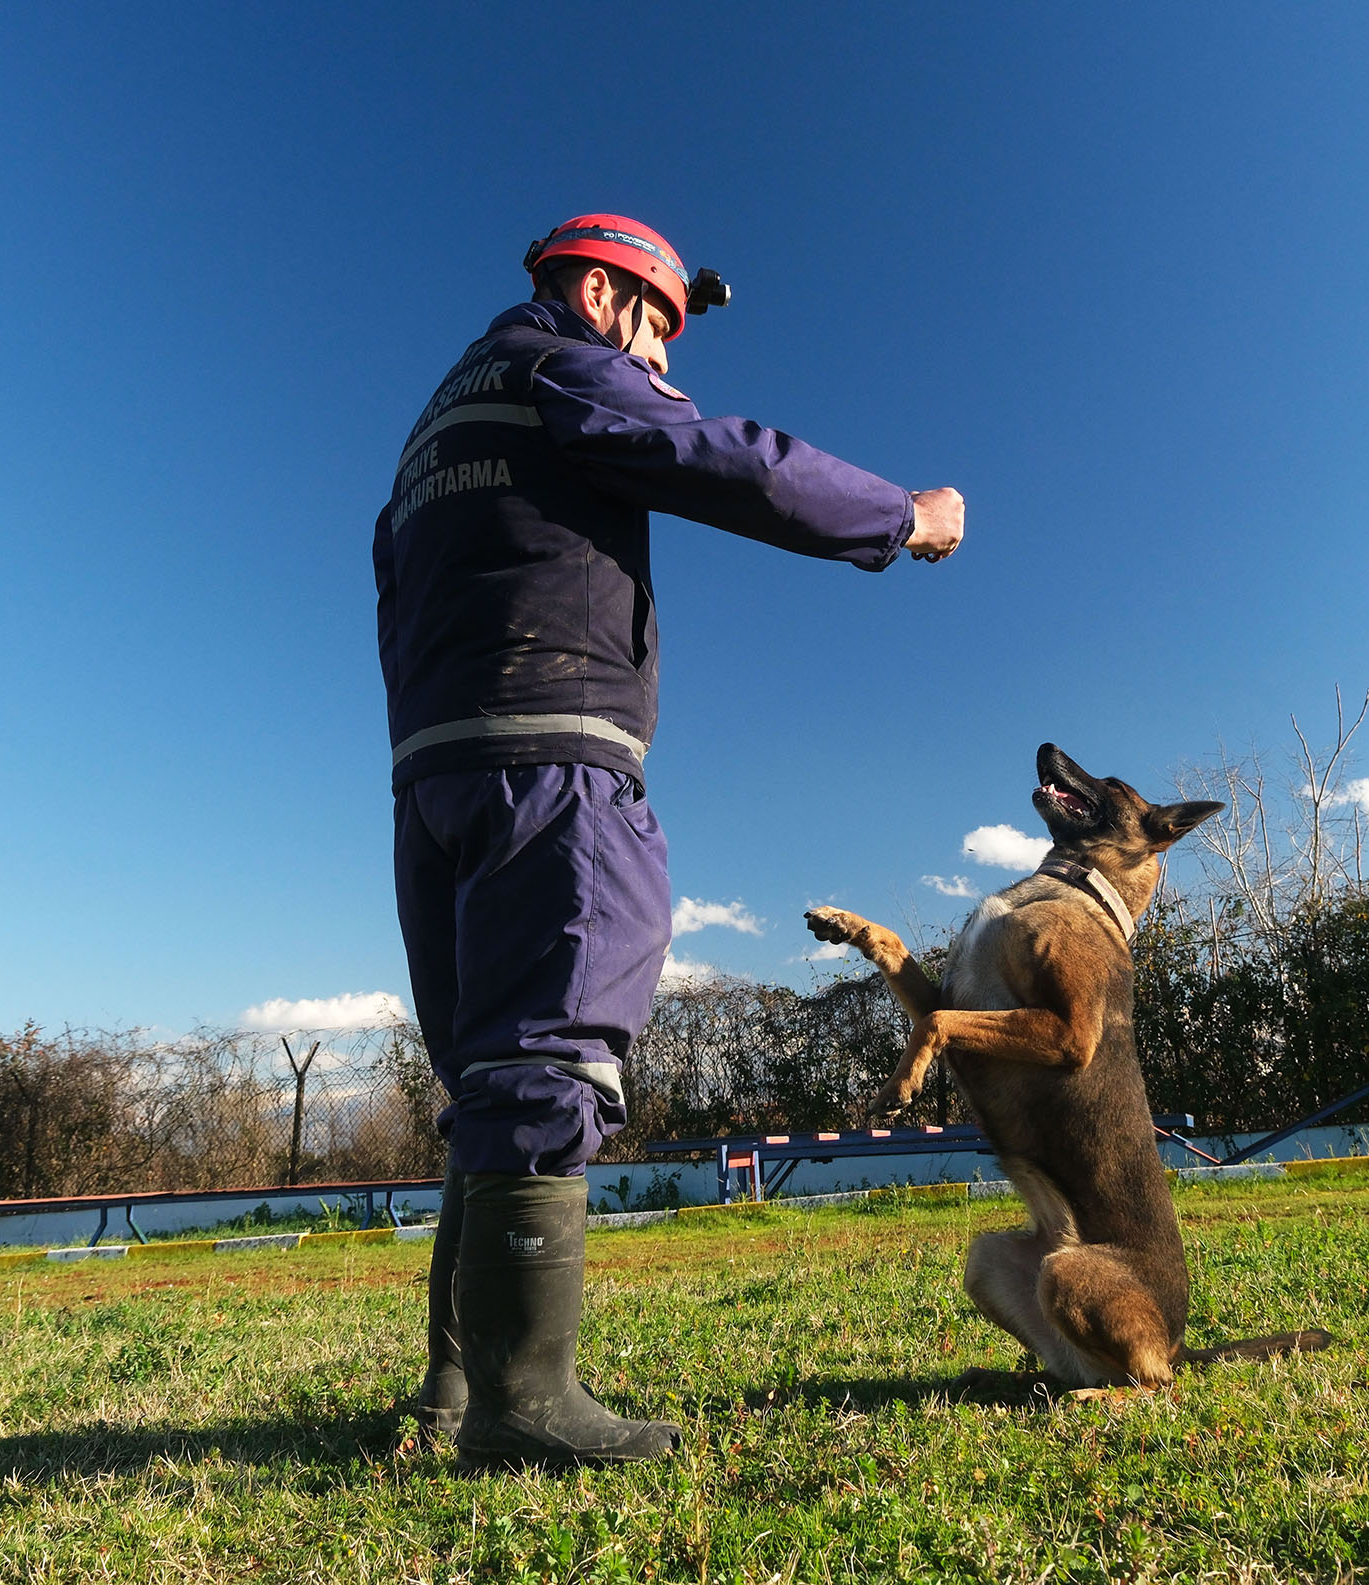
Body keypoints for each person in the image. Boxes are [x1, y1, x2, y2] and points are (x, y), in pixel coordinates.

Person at [373, 213, 964, 1467]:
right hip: (551, 764)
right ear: (598, 293)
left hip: (434, 779)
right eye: (656, 330)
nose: (657, 362)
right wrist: (899, 516)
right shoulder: (563, 366)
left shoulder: (438, 420)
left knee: (488, 1079)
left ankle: (450, 1395)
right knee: (549, 1056)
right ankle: (526, 1405)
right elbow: (722, 457)